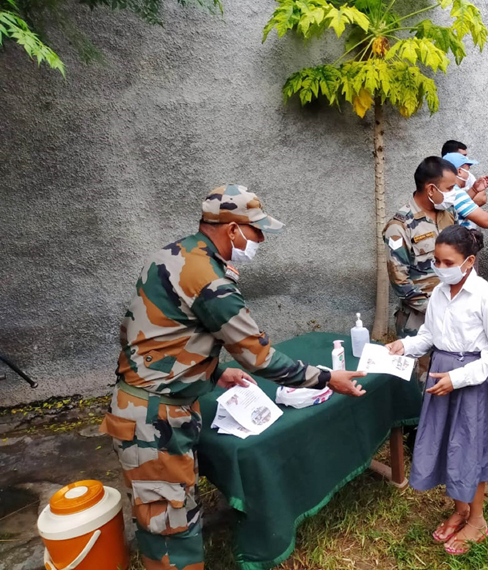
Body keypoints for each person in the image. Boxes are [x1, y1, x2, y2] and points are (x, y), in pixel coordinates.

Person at [99, 184, 366, 570]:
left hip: (145, 406)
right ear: (231, 229)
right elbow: (259, 357)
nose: (259, 240)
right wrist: (327, 379)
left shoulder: (172, 255)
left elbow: (147, 335)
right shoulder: (211, 281)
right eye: (256, 231)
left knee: (163, 514)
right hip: (154, 419)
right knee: (171, 530)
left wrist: (216, 370)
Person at [385, 225, 488, 555]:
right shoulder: (440, 293)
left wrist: (457, 379)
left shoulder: (486, 296)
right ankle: (461, 509)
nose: (440, 268)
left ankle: (478, 521)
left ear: (469, 261)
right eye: (436, 261)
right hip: (440, 375)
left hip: (470, 383)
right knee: (446, 445)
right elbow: (430, 336)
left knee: (470, 448)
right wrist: (405, 345)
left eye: (447, 262)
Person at [383, 157, 458, 338]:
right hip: (419, 321)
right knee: (423, 367)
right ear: (431, 189)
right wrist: (436, 310)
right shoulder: (399, 227)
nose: (454, 193)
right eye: (449, 188)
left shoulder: (449, 213)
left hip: (452, 310)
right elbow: (400, 281)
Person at [441, 140, 488, 205]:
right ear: (459, 171)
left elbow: (482, 198)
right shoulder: (440, 183)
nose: (468, 173)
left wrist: (474, 190)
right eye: (463, 156)